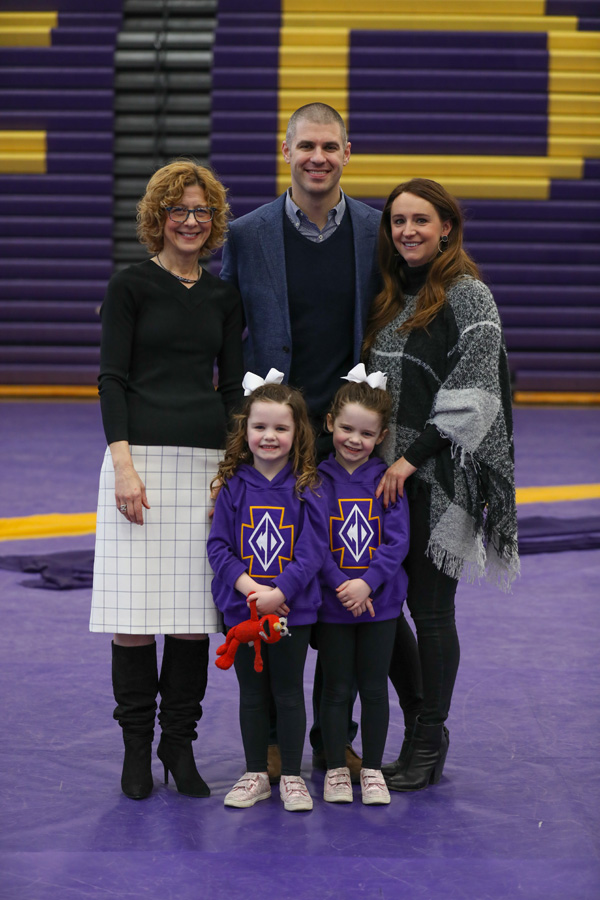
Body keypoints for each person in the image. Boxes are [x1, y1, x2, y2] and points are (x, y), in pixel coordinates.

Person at [220, 101, 422, 779]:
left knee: (348, 575)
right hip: (277, 431)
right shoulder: (246, 234)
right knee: (277, 576)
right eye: (306, 145)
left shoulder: (375, 229)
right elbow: (227, 329)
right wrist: (237, 423)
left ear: (347, 151)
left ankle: (339, 737)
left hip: (348, 439)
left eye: (330, 147)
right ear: (286, 151)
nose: (317, 157)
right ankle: (275, 738)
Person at [89, 159, 244, 800]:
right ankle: (135, 752)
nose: (189, 220)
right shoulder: (130, 286)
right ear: (157, 218)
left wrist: (230, 469)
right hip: (137, 461)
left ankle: (179, 748)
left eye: (201, 211)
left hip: (205, 463)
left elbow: (234, 386)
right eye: (178, 210)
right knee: (132, 616)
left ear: (213, 223)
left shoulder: (222, 295)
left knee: (188, 619)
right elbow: (111, 380)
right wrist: (123, 463)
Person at [364, 177, 520, 791]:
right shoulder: (387, 297)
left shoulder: (468, 295)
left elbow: (476, 394)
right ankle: (421, 721)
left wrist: (412, 457)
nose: (407, 231)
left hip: (439, 478)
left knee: (429, 612)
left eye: (420, 220)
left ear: (446, 228)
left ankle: (428, 739)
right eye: (397, 221)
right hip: (380, 481)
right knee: (379, 606)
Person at [207, 374, 327, 812]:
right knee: (252, 693)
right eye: (260, 427)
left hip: (291, 611)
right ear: (245, 430)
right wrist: (248, 587)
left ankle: (293, 775)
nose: (269, 436)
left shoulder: (307, 486)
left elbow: (314, 551)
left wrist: (280, 593)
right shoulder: (234, 485)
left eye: (281, 428)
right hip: (242, 610)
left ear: (298, 434)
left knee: (289, 692)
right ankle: (256, 771)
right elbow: (217, 546)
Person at [317, 367, 410, 806]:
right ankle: (336, 767)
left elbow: (397, 542)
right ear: (330, 422)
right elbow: (311, 544)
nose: (355, 440)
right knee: (336, 689)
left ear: (382, 435)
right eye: (347, 428)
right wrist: (342, 586)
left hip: (381, 605)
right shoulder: (314, 481)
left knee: (374, 689)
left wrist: (368, 584)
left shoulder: (386, 480)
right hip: (334, 605)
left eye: (366, 433)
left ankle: (372, 769)